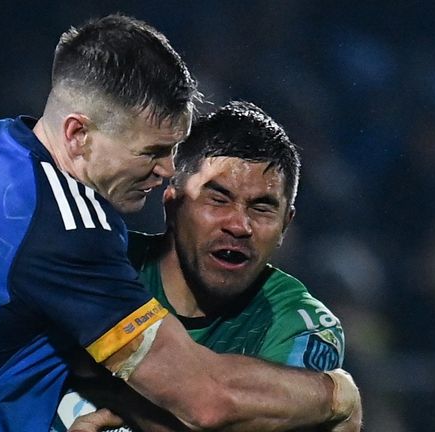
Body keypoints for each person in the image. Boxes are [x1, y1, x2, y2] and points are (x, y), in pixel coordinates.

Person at [0, 14, 360, 431]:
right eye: (152, 151)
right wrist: (336, 395)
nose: (166, 171)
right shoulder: (68, 230)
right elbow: (205, 399)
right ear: (78, 135)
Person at [53, 101, 350, 432]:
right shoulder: (95, 265)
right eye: (218, 199)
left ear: (285, 225)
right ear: (172, 202)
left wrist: (112, 392)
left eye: (262, 208)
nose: (239, 225)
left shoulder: (299, 326)